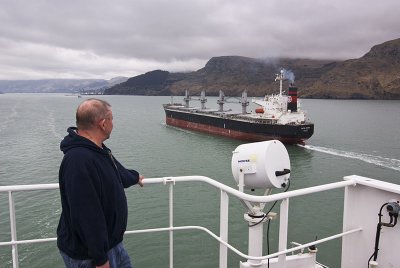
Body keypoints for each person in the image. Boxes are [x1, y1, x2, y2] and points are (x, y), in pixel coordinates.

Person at [57, 98, 144, 268]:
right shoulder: (79, 160)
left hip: (112, 245)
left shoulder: (98, 149)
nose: (114, 123)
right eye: (112, 119)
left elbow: (115, 172)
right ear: (103, 124)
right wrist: (100, 259)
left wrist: (134, 177)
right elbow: (86, 214)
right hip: (90, 256)